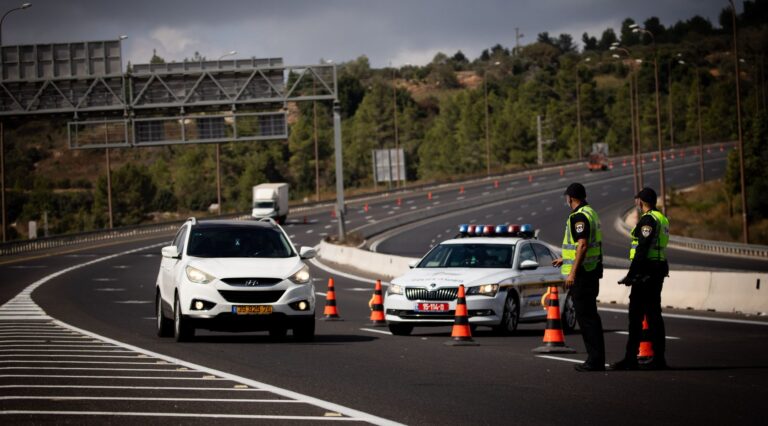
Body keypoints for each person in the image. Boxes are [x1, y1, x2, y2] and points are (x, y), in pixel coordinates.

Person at [611, 187, 669, 371]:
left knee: (636, 317)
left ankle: (631, 359)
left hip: (646, 272)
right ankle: (658, 359)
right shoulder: (661, 217)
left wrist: (631, 275)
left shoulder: (648, 220)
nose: (636, 203)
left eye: (637, 200)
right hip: (657, 268)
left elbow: (642, 250)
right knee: (654, 317)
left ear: (641, 202)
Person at [552, 183, 606, 372]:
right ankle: (596, 358)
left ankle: (594, 361)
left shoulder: (579, 217)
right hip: (591, 271)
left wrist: (572, 272)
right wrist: (564, 258)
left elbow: (582, 245)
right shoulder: (591, 212)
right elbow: (584, 246)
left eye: (567, 197)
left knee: (586, 319)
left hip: (583, 275)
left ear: (571, 198)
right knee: (591, 317)